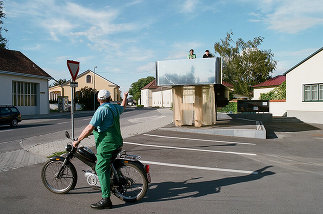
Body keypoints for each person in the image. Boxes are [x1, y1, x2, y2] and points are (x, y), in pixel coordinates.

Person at [73, 89, 128, 209]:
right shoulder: (114, 107)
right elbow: (123, 107)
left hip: (107, 144)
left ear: (98, 99)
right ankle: (112, 181)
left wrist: (78, 140)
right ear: (110, 99)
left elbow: (89, 128)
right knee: (108, 163)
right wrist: (125, 96)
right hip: (117, 142)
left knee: (100, 168)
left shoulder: (101, 110)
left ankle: (106, 199)